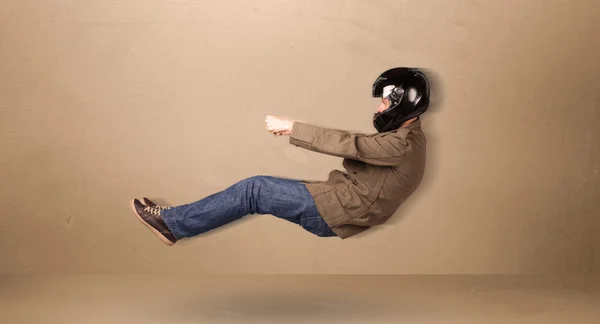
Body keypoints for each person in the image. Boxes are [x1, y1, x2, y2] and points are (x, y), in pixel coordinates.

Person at [130, 67, 431, 245]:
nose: (379, 109)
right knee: (257, 190)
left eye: (383, 103)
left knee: (254, 189)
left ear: (400, 104)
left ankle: (172, 224)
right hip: (341, 201)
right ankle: (174, 221)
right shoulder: (410, 138)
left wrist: (292, 128)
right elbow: (362, 147)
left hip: (339, 210)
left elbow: (352, 144)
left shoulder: (401, 146)